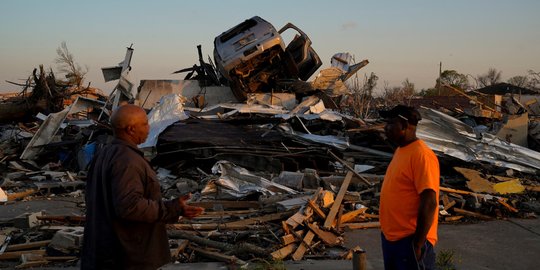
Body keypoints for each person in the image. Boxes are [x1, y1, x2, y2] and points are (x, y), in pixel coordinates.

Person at [81, 104, 204, 270]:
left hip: (106, 252)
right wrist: (172, 208)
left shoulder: (105, 154)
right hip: (129, 256)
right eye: (145, 124)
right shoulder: (127, 161)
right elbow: (129, 206)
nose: (149, 127)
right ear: (131, 129)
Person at [378, 105, 440, 270]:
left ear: (404, 126)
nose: (386, 128)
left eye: (390, 123)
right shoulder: (402, 150)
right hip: (393, 239)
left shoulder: (422, 155)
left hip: (409, 241)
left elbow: (429, 202)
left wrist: (418, 245)